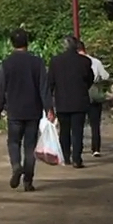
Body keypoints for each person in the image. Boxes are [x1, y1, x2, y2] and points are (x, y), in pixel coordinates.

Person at [0, 29, 53, 190]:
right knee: (30, 146)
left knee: (13, 142)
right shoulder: (37, 62)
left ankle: (16, 166)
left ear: (12, 43)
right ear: (28, 42)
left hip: (14, 111)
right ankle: (28, 181)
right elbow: (44, 88)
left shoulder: (7, 63)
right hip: (33, 111)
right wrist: (49, 109)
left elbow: (0, 90)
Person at [48, 34, 94, 167]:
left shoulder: (56, 61)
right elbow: (90, 79)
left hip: (62, 101)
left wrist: (49, 103)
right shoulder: (85, 61)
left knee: (64, 130)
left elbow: (50, 82)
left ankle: (66, 156)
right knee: (77, 131)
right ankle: (77, 158)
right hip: (80, 100)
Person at [78, 40, 110, 156]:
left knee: (78, 124)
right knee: (95, 124)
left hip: (80, 94)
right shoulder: (96, 62)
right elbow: (106, 76)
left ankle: (78, 147)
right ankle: (95, 148)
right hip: (94, 93)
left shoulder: (75, 62)